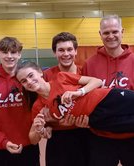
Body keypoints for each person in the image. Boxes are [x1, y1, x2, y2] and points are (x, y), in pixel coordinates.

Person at [81, 14, 134, 166]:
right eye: (106, 33)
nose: (111, 36)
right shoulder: (90, 64)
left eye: (114, 31)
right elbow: (85, 99)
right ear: (100, 34)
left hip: (133, 136)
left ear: (122, 32)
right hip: (101, 137)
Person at [0, 37, 40, 166]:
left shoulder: (29, 82)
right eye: (5, 52)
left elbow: (41, 108)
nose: (9, 56)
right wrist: (3, 142)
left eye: (13, 52)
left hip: (28, 149)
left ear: (19, 54)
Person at [42, 32, 90, 166]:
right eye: (61, 50)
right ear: (54, 52)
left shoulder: (86, 74)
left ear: (75, 51)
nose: (66, 54)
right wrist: (47, 124)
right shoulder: (47, 76)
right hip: (58, 139)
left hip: (84, 135)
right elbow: (40, 106)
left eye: (69, 49)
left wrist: (88, 122)